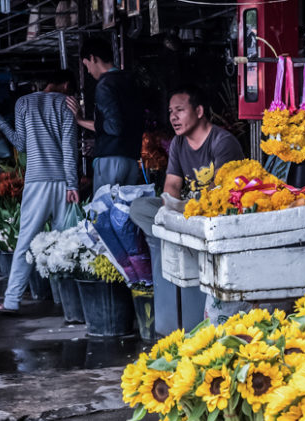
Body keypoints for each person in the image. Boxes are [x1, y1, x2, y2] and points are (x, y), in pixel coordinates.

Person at [129, 85, 243, 334]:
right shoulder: (179, 144)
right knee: (139, 207)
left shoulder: (222, 142)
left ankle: (180, 238)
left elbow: (223, 192)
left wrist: (188, 213)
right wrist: (170, 208)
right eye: (171, 112)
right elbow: (172, 184)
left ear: (199, 111)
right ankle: (172, 238)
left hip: (216, 215)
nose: (173, 117)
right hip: (187, 213)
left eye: (179, 110)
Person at [0, 70, 78, 314]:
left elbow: (21, 144)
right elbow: (69, 148)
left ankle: (11, 301)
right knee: (67, 243)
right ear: (66, 84)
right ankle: (72, 306)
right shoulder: (66, 103)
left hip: (36, 181)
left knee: (25, 241)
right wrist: (73, 185)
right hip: (61, 181)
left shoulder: (23, 102)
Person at [67, 37, 142, 193]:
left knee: (105, 212)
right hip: (132, 158)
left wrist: (80, 120)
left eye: (86, 65)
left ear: (93, 58)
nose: (88, 71)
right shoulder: (130, 80)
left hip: (111, 160)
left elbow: (114, 127)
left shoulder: (105, 84)